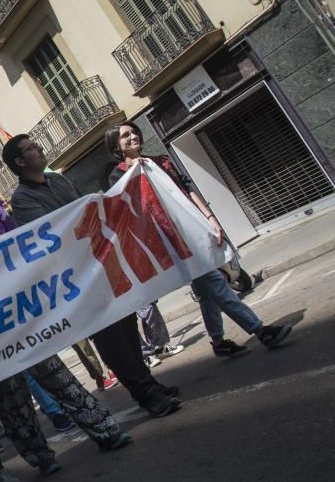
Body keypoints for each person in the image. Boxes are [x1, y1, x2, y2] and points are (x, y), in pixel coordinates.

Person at [0, 207, 133, 472]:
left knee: (63, 383)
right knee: (14, 406)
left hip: (25, 332)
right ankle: (42, 459)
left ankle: (106, 433)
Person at [1, 134, 182, 418]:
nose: (39, 148)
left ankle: (149, 383)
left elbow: (87, 212)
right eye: (31, 149)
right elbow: (58, 229)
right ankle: (146, 395)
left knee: (127, 328)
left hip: (102, 264)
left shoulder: (58, 181)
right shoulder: (22, 200)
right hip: (78, 279)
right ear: (21, 162)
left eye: (37, 144)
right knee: (110, 338)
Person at [105, 122, 292, 357]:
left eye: (134, 132)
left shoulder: (160, 161)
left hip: (191, 233)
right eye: (125, 136)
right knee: (216, 284)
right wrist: (136, 173)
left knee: (206, 292)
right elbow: (127, 206)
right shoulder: (118, 174)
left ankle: (219, 342)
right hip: (171, 245)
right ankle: (261, 331)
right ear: (116, 145)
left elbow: (186, 189)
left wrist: (210, 218)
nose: (133, 137)